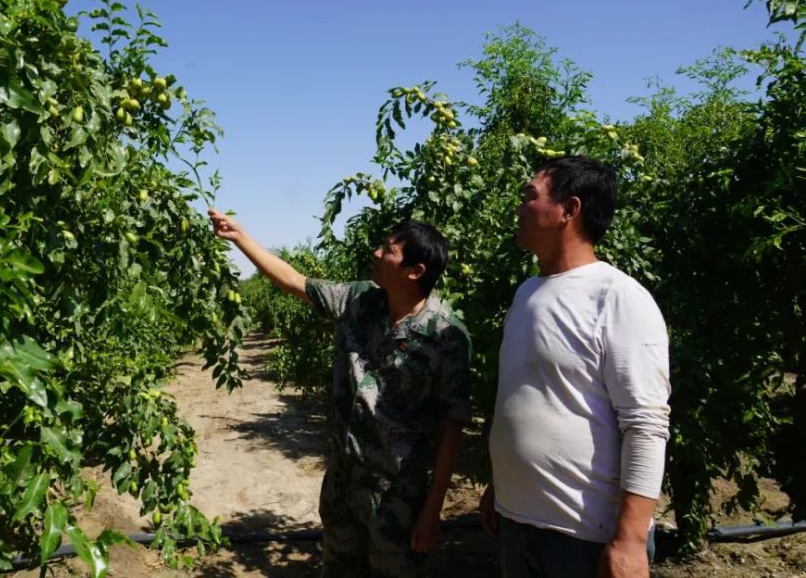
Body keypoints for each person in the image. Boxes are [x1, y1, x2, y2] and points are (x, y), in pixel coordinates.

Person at [209, 209, 472, 577]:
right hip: (342, 485)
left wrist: (432, 510)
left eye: (389, 251)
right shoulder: (359, 301)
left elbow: (452, 426)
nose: (376, 255)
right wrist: (241, 237)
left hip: (397, 498)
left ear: (415, 272)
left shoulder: (445, 337)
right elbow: (294, 281)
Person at [478, 155, 670, 578]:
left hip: (582, 536)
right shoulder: (526, 293)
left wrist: (631, 541)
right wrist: (503, 483)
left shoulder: (617, 297)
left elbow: (646, 423)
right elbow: (530, 396)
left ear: (570, 209)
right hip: (519, 522)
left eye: (530, 196)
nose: (518, 207)